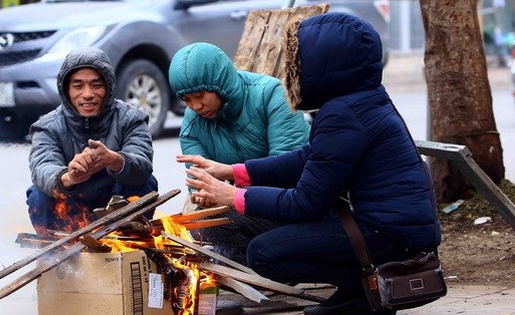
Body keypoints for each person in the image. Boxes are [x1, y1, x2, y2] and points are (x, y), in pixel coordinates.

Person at [176, 13, 441, 315]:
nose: (293, 70)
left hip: (393, 237)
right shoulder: (359, 101)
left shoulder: (343, 115)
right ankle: (359, 290)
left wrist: (231, 196)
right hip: (398, 229)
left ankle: (368, 287)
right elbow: (307, 157)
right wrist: (233, 171)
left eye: (298, 62)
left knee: (265, 253)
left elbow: (306, 204)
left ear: (325, 64)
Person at [168, 42, 311, 264]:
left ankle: (281, 267)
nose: (195, 106)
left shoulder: (272, 95)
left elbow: (287, 171)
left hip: (292, 202)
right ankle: (262, 267)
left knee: (221, 225)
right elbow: (201, 183)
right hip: (242, 206)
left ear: (218, 83)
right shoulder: (192, 124)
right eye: (186, 100)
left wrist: (232, 192)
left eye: (199, 95)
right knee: (197, 228)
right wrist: (205, 197)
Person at [26, 47, 158, 237]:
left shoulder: (131, 119)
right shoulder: (48, 126)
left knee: (144, 183)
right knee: (39, 194)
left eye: (96, 85)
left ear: (108, 88)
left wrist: (113, 160)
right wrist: (68, 177)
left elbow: (142, 164)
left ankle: (129, 245)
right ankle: (58, 255)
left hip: (116, 209)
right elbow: (42, 168)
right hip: (72, 207)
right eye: (78, 86)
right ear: (66, 90)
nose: (87, 94)